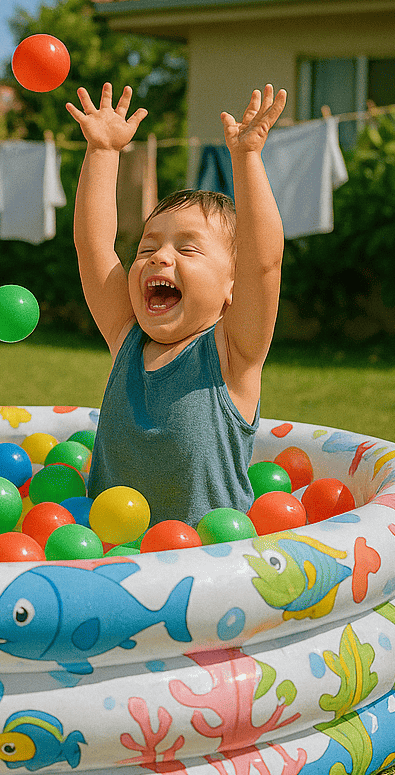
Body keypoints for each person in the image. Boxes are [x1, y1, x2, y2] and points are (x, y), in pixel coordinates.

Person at [67, 82, 287, 526]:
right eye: (148, 248)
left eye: (188, 250)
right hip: (110, 554)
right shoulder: (126, 338)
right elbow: (93, 247)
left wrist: (246, 159)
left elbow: (264, 264)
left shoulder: (233, 354)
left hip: (207, 567)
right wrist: (103, 152)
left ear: (231, 286)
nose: (161, 257)